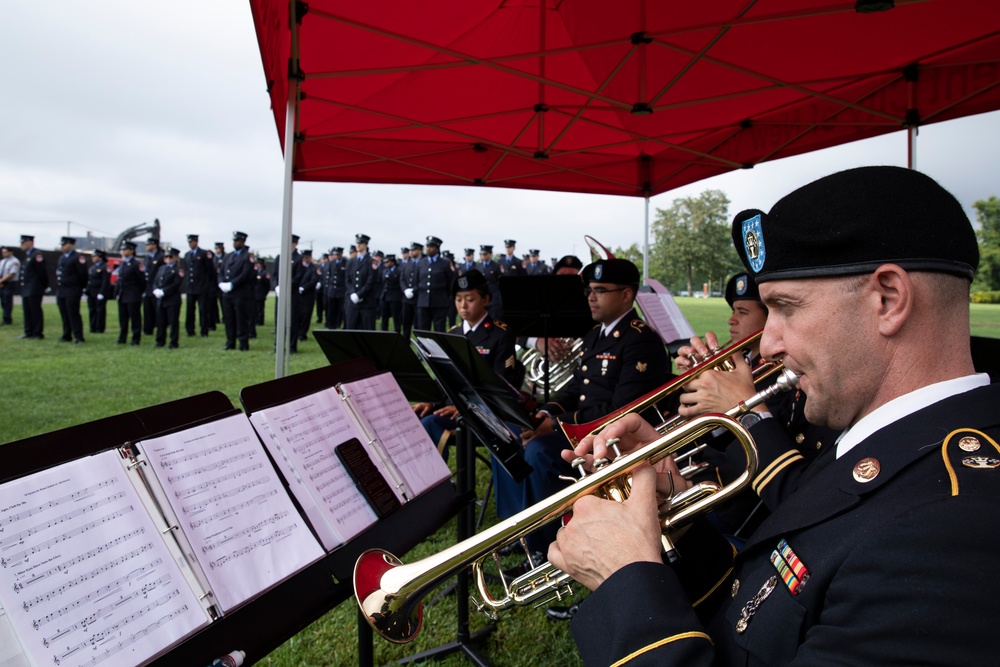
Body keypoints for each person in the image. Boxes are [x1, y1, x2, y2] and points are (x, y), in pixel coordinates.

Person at [549, 166, 1000, 666]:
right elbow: (768, 605)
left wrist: (625, 581)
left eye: (787, 307)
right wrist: (675, 513)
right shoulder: (881, 438)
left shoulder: (953, 533)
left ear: (888, 299)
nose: (767, 342)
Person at [510, 258, 671, 557]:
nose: (590, 297)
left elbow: (622, 408)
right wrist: (545, 413)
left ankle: (543, 549)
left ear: (626, 295)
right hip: (582, 430)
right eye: (589, 290)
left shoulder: (641, 340)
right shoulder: (595, 334)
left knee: (540, 452)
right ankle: (519, 529)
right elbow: (577, 388)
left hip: (613, 440)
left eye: (599, 290)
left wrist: (556, 424)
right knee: (515, 435)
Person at [413, 269, 519, 457]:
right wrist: (431, 401)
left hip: (484, 413)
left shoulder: (500, 333)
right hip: (450, 408)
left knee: (430, 424)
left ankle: (441, 482)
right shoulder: (452, 333)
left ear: (485, 300)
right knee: (413, 418)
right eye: (458, 299)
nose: (463, 306)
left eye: (469, 300)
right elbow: (444, 377)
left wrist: (466, 408)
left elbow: (501, 383)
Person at [218, 231, 255, 351]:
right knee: (229, 319)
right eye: (234, 241)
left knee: (241, 319)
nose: (235, 243)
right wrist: (221, 283)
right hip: (227, 294)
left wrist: (232, 284)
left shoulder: (247, 256)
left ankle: (243, 343)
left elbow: (246, 274)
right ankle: (230, 342)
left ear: (243, 242)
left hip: (240, 293)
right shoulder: (228, 256)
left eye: (238, 241)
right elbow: (222, 271)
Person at [55, 236, 88, 344]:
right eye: (62, 245)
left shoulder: (77, 257)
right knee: (64, 314)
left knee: (73, 314)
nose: (62, 247)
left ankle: (78, 336)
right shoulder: (62, 257)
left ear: (71, 245)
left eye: (64, 245)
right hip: (62, 290)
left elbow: (83, 275)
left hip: (72, 290)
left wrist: (80, 288)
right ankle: (67, 334)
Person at [416, 235, 452, 332]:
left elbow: (450, 283)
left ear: (437, 248)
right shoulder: (421, 263)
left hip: (439, 302)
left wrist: (445, 298)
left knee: (439, 329)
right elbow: (417, 282)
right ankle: (423, 348)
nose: (428, 249)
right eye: (427, 246)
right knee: (423, 329)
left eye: (431, 247)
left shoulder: (445, 264)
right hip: (423, 302)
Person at [345, 234, 378, 330]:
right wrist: (352, 293)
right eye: (357, 243)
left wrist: (359, 294)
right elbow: (347, 280)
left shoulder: (372, 262)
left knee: (367, 332)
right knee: (351, 330)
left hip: (367, 303)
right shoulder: (351, 262)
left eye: (361, 243)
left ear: (366, 245)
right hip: (352, 303)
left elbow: (371, 281)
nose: (358, 245)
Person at [183, 234, 214, 338]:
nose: (190, 244)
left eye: (192, 242)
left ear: (196, 241)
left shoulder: (204, 253)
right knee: (190, 311)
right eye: (189, 242)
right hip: (190, 287)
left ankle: (204, 331)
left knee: (203, 311)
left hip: (202, 287)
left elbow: (210, 271)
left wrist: (208, 285)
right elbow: (187, 270)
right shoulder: (187, 255)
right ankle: (190, 330)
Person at [115, 241, 145, 345]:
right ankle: (122, 338)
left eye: (125, 249)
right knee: (123, 318)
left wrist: (138, 293)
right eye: (122, 249)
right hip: (123, 295)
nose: (123, 251)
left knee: (135, 318)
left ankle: (135, 339)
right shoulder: (123, 263)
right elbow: (120, 280)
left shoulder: (137, 264)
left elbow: (142, 281)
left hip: (133, 295)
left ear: (132, 250)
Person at [18, 234, 48, 340]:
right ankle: (28, 331)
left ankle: (37, 332)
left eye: (23, 243)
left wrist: (45, 285)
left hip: (34, 287)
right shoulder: (27, 255)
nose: (21, 245)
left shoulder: (37, 254)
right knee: (27, 310)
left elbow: (42, 272)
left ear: (29, 242)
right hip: (26, 287)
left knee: (35, 310)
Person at [153, 247, 182, 348]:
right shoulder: (162, 268)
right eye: (166, 257)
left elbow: (177, 283)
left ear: (175, 258)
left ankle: (173, 342)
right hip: (161, 299)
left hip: (172, 299)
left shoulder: (178, 269)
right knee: (161, 321)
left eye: (170, 257)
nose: (167, 259)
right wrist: (156, 289)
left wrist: (164, 291)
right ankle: (160, 340)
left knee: (173, 321)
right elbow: (156, 280)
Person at [141, 237, 164, 336]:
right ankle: (147, 329)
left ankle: (160, 328)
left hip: (156, 287)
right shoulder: (147, 258)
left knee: (158, 310)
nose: (146, 246)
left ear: (154, 245)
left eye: (148, 244)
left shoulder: (160, 257)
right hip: (147, 287)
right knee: (147, 309)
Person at [400, 241, 423, 338]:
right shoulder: (407, 264)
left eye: (414, 250)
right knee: (406, 322)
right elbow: (402, 279)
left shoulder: (423, 263)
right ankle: (406, 342)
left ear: (419, 250)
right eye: (411, 250)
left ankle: (419, 344)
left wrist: (414, 290)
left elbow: (423, 281)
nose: (411, 252)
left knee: (418, 323)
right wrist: (405, 290)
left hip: (418, 298)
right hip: (407, 299)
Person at [85, 249, 112, 333]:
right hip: (91, 292)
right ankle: (93, 327)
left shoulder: (105, 267)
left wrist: (102, 292)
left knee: (100, 310)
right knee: (92, 310)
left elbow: (105, 281)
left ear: (100, 257)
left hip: (99, 291)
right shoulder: (93, 267)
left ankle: (100, 328)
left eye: (94, 256)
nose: (93, 258)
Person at [476, 244, 503, 319]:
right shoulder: (478, 266)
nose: (483, 256)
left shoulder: (496, 266)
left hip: (494, 298)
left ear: (490, 254)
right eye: (481, 254)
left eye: (485, 254)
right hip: (482, 298)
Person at [322, 246, 347, 329]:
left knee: (341, 310)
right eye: (335, 254)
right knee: (331, 309)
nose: (336, 256)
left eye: (338, 254)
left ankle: (338, 323)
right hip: (332, 290)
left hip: (341, 290)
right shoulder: (331, 263)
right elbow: (330, 276)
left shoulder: (346, 263)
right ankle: (331, 324)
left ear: (341, 254)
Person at [379, 254, 402, 333]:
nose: (385, 263)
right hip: (385, 297)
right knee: (384, 317)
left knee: (396, 318)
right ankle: (383, 332)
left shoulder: (398, 271)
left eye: (387, 262)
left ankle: (397, 332)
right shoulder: (384, 271)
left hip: (395, 298)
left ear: (392, 262)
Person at [0, 245, 22, 326]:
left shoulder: (14, 261)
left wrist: (1, 281)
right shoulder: (2, 262)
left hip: (9, 283)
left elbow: (12, 274)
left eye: (5, 252)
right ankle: (5, 317)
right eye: (3, 252)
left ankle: (7, 319)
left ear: (10, 252)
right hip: (2, 283)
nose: (4, 254)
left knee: (7, 300)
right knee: (2, 301)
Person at [254, 257, 270, 327]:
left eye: (259, 264)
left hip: (261, 293)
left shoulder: (264, 273)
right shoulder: (255, 272)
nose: (257, 265)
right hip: (254, 293)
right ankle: (255, 320)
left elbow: (267, 285)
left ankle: (260, 321)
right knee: (255, 308)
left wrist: (264, 293)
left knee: (260, 308)